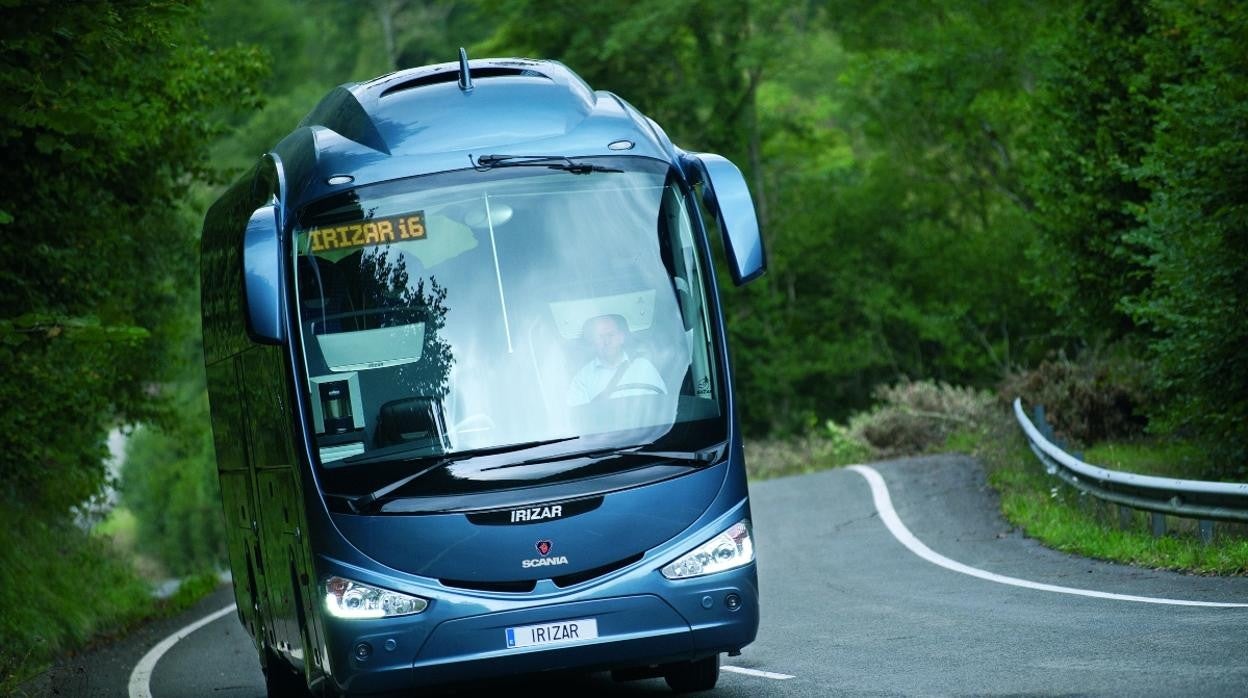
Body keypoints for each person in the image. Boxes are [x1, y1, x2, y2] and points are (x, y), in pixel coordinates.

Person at [567, 314, 666, 406]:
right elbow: (579, 418)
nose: (606, 341)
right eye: (600, 337)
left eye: (611, 335)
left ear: (621, 338)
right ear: (593, 342)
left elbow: (662, 406)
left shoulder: (644, 366)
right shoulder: (582, 378)